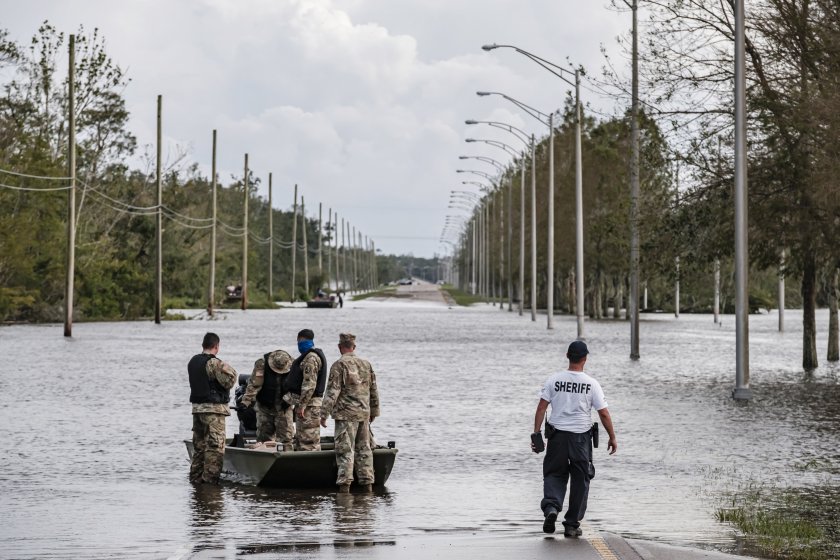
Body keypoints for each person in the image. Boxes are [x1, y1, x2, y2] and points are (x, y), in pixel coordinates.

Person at [531, 340, 617, 537]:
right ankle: (571, 524)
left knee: (554, 474)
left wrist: (536, 434)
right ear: (585, 359)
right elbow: (604, 414)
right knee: (581, 480)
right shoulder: (591, 383)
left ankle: (552, 508)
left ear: (567, 356)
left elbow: (541, 407)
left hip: (557, 438)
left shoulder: (554, 380)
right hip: (581, 440)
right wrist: (612, 437)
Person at [320, 333, 380, 493]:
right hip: (363, 414)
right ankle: (367, 486)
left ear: (340, 347)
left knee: (345, 451)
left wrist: (323, 414)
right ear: (354, 347)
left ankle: (344, 488)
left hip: (345, 415)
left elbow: (332, 392)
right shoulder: (366, 364)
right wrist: (374, 411)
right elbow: (373, 389)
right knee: (365, 450)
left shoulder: (339, 365)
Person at [188, 332, 237, 484]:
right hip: (213, 411)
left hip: (197, 410)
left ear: (203, 345)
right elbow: (230, 380)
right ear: (216, 346)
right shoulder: (214, 363)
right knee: (215, 448)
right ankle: (210, 486)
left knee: (199, 447)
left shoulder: (193, 361)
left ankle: (196, 482)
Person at [282, 328, 328, 450]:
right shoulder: (308, 357)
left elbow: (309, 385)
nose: (298, 345)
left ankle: (311, 467)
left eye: (299, 341)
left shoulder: (311, 358)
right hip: (307, 405)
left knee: (309, 443)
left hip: (309, 406)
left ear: (301, 340)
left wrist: (302, 405)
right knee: (302, 440)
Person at [239, 349, 294, 449]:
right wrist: (245, 401)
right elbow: (254, 385)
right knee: (264, 439)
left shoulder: (293, 366)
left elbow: (297, 388)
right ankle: (264, 460)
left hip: (284, 409)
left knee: (286, 439)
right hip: (265, 408)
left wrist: (289, 400)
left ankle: (287, 461)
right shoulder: (262, 364)